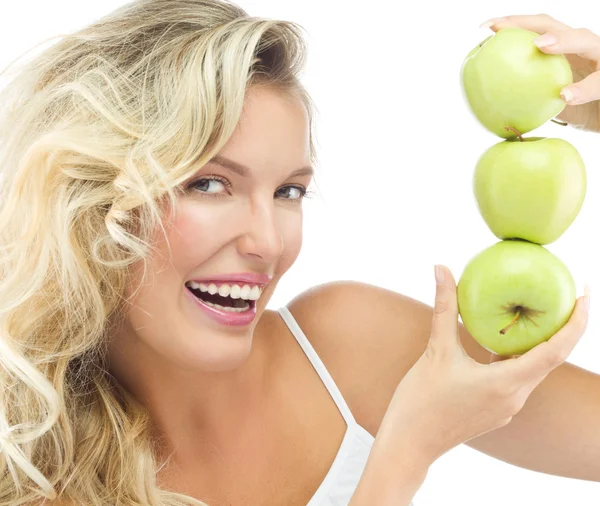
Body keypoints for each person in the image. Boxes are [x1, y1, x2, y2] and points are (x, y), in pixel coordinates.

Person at [0, 2, 597, 504]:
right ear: (86, 198)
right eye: (208, 183)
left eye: (289, 191)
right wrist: (407, 451)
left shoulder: (348, 349)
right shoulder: (27, 463)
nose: (268, 242)